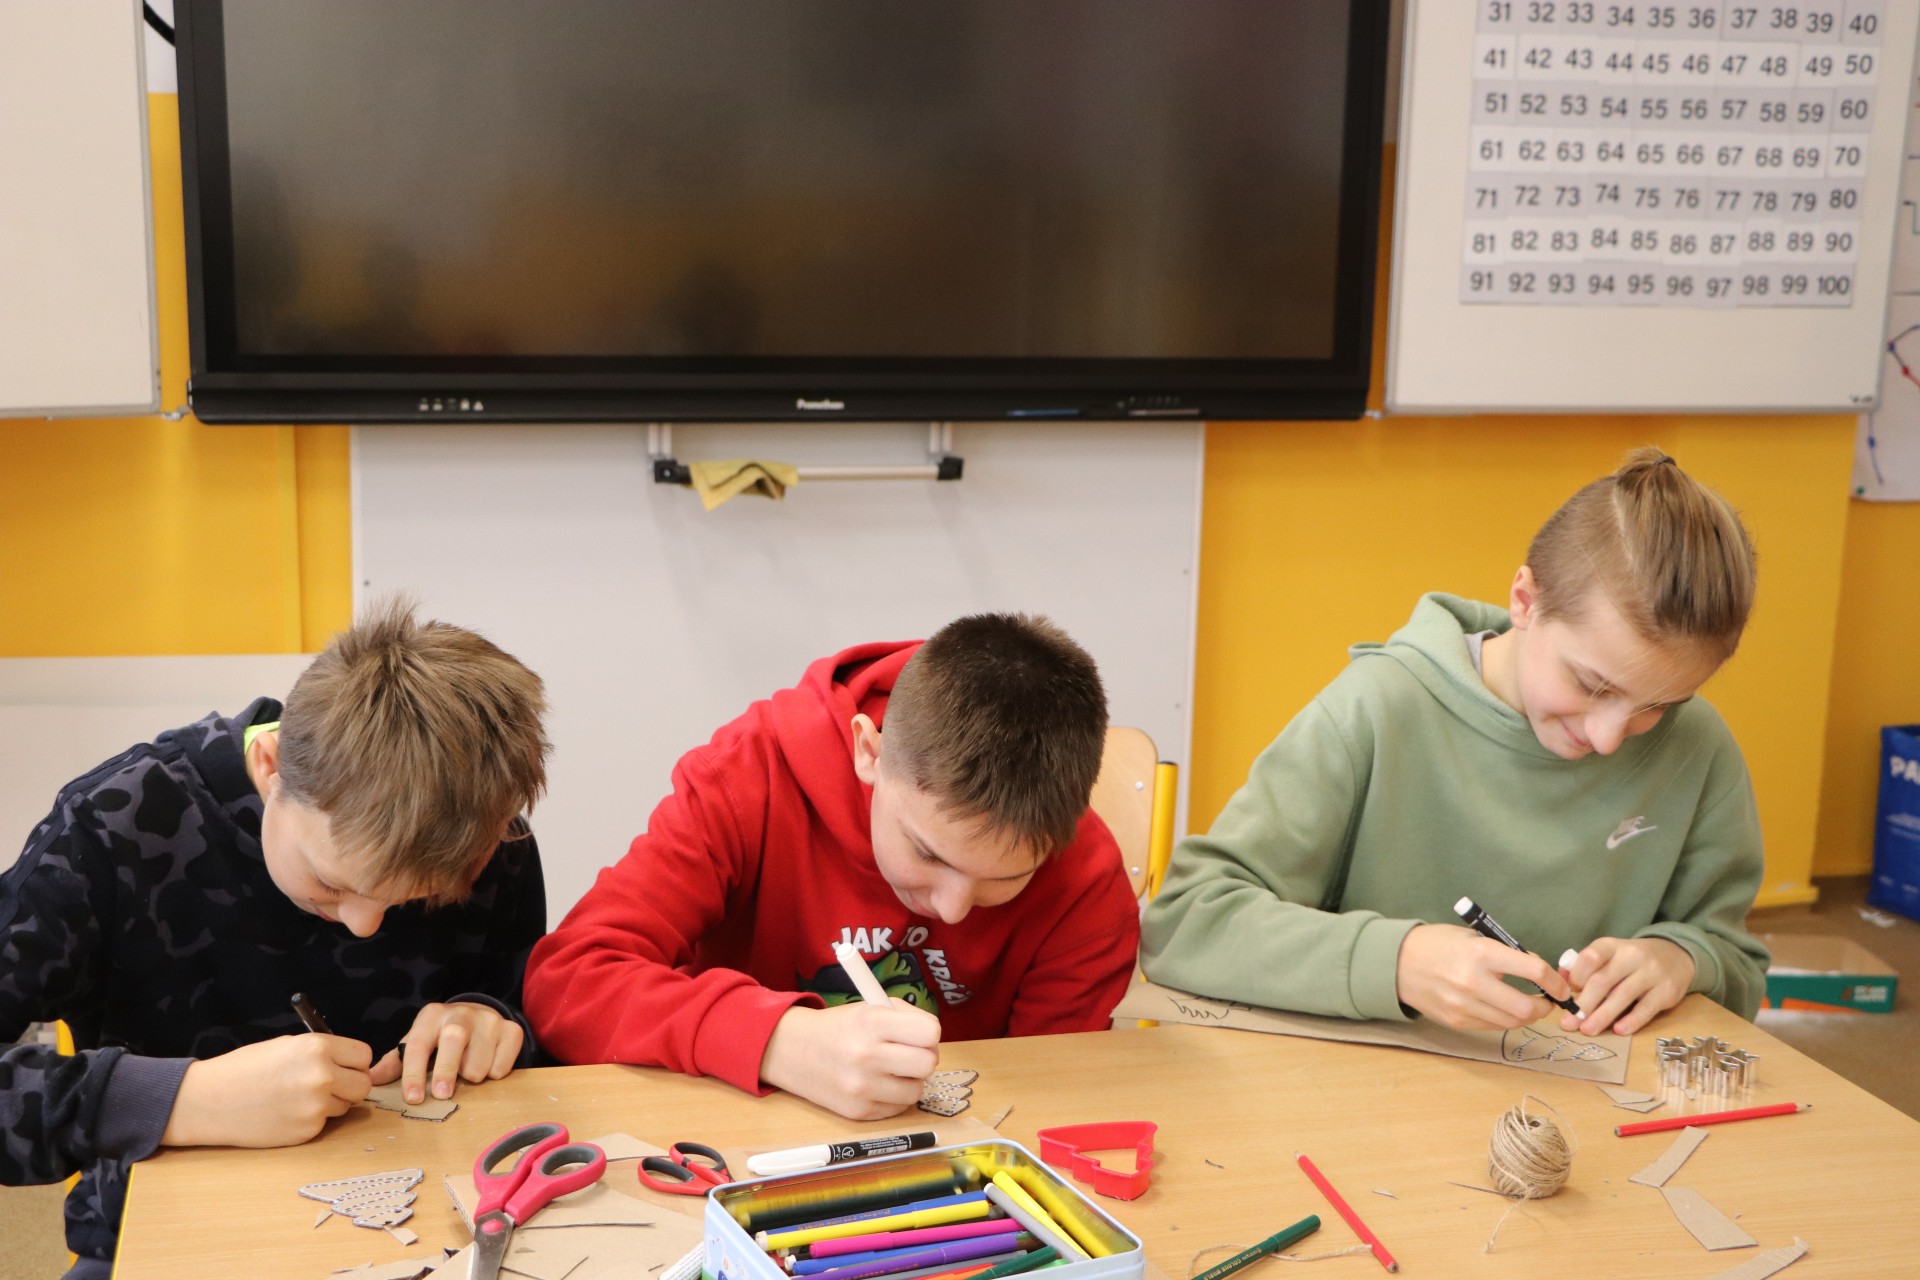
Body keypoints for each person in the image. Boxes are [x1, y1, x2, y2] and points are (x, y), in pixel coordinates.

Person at [0, 599, 551, 1278]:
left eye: (418, 899)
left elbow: (531, 1024)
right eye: (330, 883)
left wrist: (492, 1018)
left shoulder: (490, 842)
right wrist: (183, 1100)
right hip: (171, 1242)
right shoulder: (116, 828)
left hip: (431, 1230)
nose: (365, 924)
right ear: (269, 765)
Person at [1141, 448, 1769, 1038]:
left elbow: (1737, 965)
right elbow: (1184, 924)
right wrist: (1397, 962)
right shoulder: (1376, 709)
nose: (1608, 739)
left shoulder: (1700, 749)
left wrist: (1682, 958)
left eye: (1657, 705)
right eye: (1589, 684)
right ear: (1525, 601)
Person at [524, 613, 1140, 1121]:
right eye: (927, 853)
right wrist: (775, 1041)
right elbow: (568, 984)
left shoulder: (1085, 878)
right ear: (869, 751)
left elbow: (1047, 1104)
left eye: (1007, 879)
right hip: (728, 1145)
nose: (953, 909)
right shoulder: (751, 776)